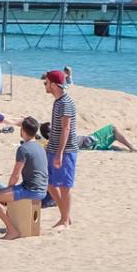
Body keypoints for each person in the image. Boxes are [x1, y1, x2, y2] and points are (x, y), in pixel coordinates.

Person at [0, 117, 49, 239]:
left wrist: (8, 189)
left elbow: (15, 175)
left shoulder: (23, 149)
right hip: (43, 189)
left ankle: (12, 230)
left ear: (23, 131)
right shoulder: (40, 146)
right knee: (7, 194)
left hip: (31, 190)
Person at [43, 69, 77, 228]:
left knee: (64, 185)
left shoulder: (65, 103)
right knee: (50, 183)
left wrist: (60, 153)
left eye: (46, 83)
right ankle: (65, 216)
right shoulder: (58, 102)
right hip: (54, 148)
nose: (45, 86)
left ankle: (65, 219)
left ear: (54, 85)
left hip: (66, 150)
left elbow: (66, 128)